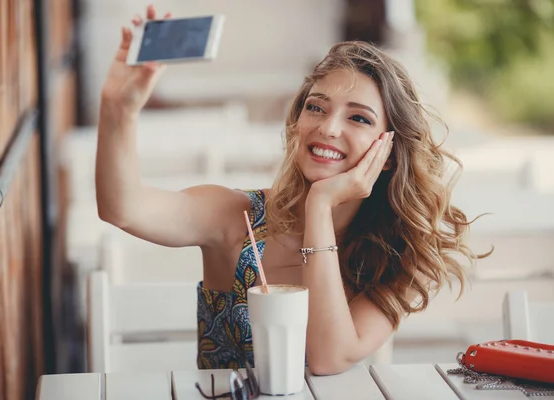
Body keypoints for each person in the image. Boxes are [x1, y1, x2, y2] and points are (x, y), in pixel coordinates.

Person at [96, 5, 487, 376]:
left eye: (357, 117)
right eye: (316, 107)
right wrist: (119, 110)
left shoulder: (399, 256)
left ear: (388, 153)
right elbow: (123, 208)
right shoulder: (237, 216)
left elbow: (327, 358)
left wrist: (319, 207)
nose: (328, 127)